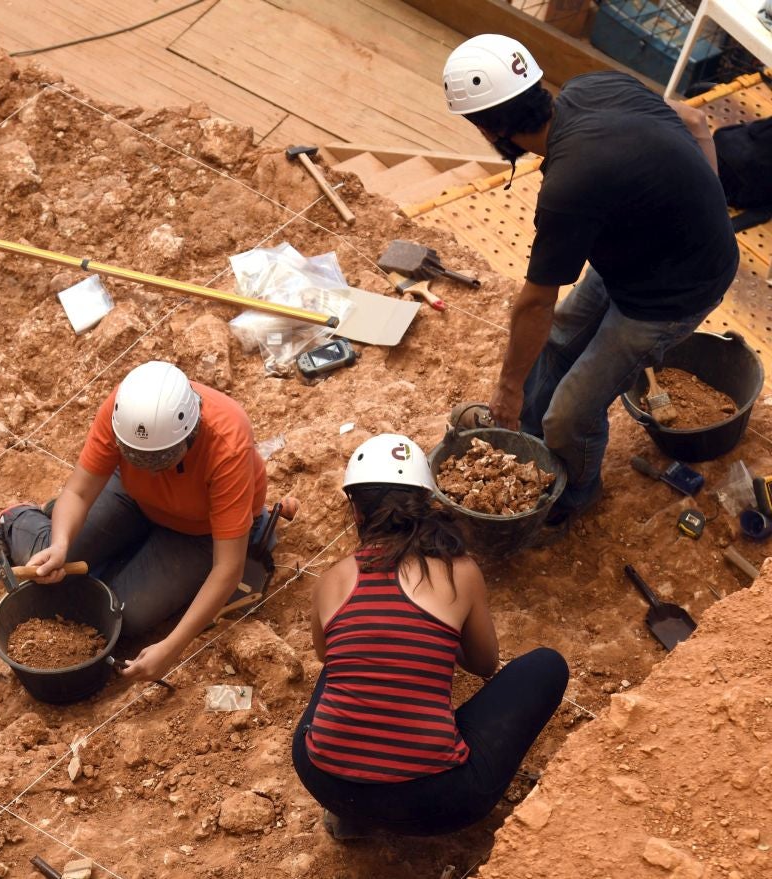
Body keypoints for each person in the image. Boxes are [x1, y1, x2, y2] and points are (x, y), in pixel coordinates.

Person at [442, 35, 739, 527]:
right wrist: (707, 208)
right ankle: (532, 440)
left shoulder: (569, 185)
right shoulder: (597, 87)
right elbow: (691, 119)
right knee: (560, 337)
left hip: (672, 295)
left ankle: (574, 496)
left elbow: (534, 303)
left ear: (488, 127)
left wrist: (508, 390)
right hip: (640, 246)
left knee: (571, 416)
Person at [292, 434, 568, 838]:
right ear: (428, 503)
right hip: (437, 803)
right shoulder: (460, 570)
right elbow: (484, 664)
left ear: (356, 512)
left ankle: (355, 816)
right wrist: (441, 633)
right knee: (547, 666)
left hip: (327, 782)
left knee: (342, 660)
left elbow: (324, 655)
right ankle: (394, 797)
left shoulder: (333, 579)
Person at [0, 360, 288, 683]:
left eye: (160, 459)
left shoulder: (227, 442)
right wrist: (61, 543)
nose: (150, 468)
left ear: (191, 434)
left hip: (197, 531)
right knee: (48, 559)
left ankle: (122, 552)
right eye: (137, 457)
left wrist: (172, 647)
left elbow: (227, 568)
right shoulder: (125, 410)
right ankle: (15, 519)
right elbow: (78, 493)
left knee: (120, 617)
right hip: (133, 496)